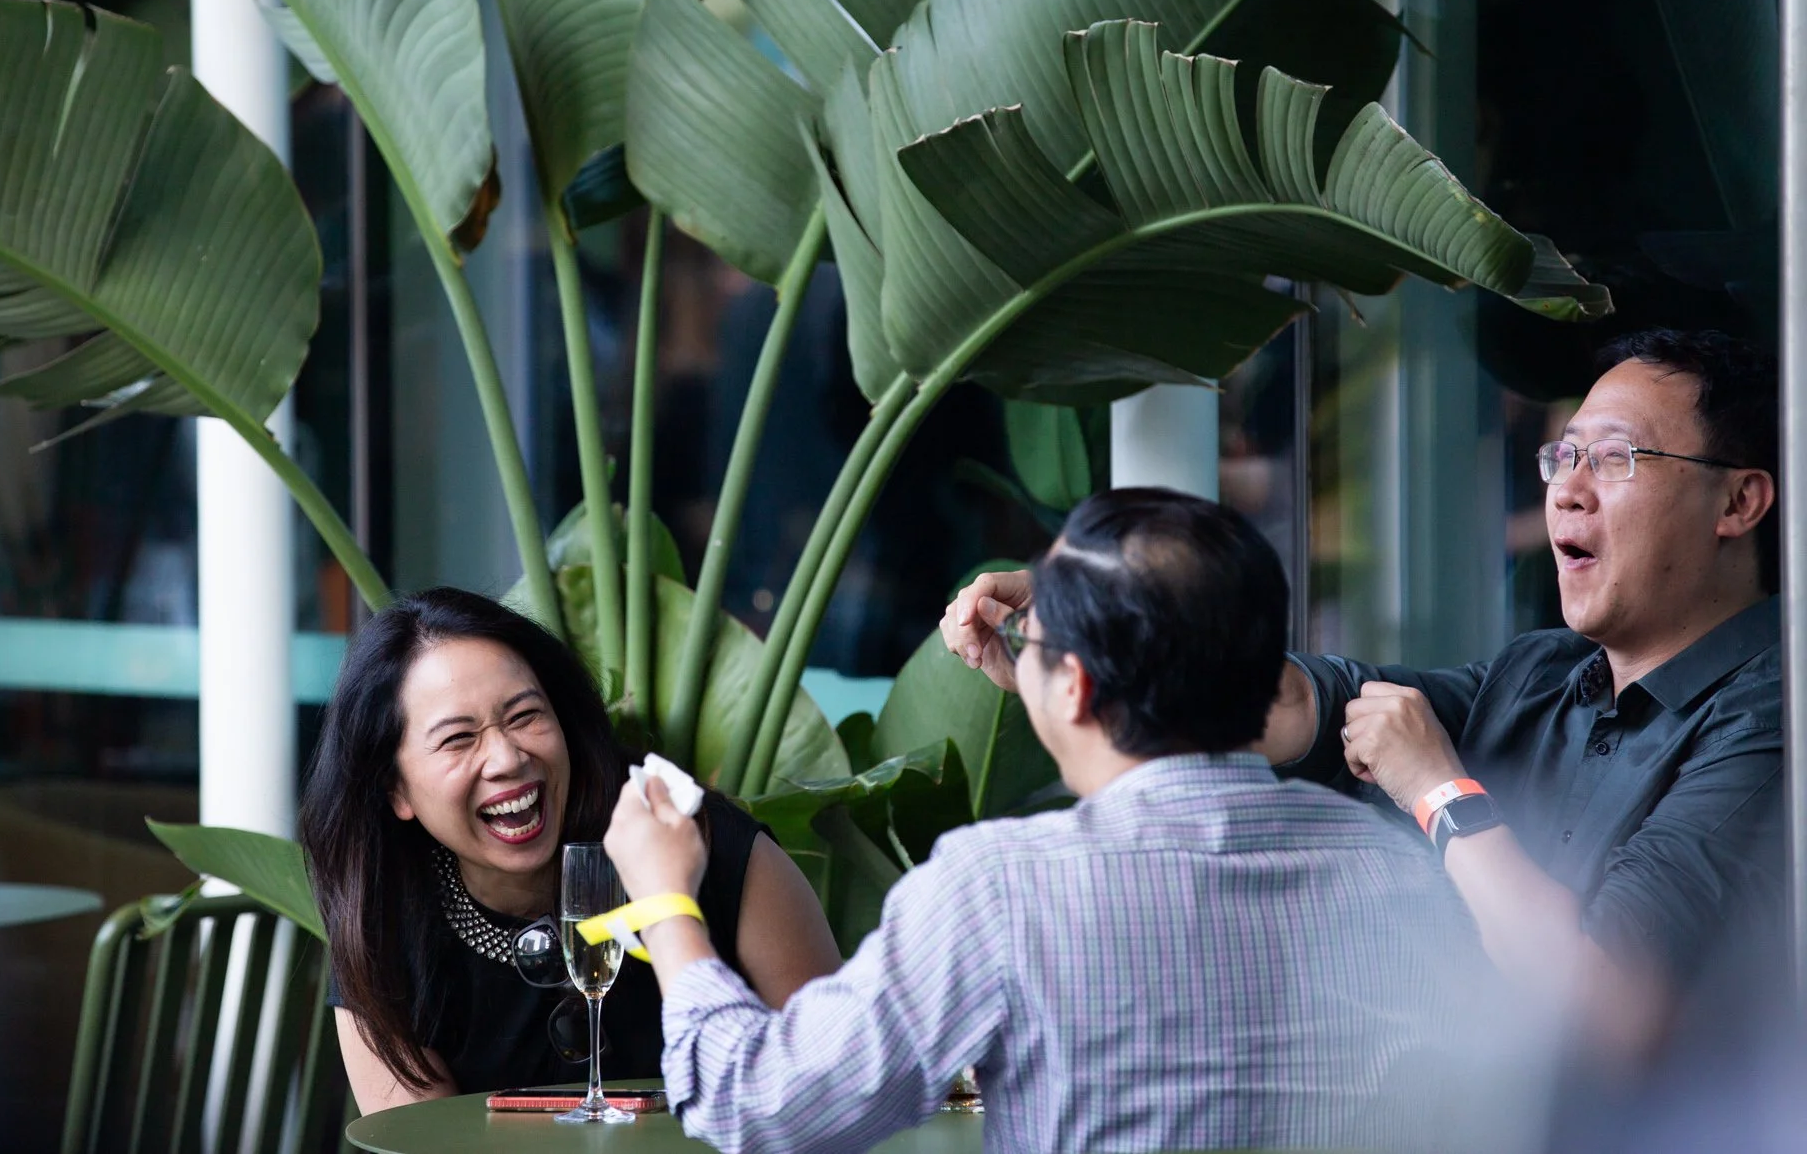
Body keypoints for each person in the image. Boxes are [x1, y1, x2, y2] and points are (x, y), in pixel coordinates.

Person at [604, 489, 1483, 1153]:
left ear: (1076, 688)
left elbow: (765, 1103)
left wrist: (666, 902)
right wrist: (1052, 678)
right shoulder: (1399, 871)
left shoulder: (998, 888)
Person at [945, 329, 1781, 1023]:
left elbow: (1607, 1009)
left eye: (1614, 457)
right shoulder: (1544, 672)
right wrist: (1085, 636)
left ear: (1738, 503)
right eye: (1562, 455)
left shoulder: (1776, 716)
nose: (1568, 488)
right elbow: (1296, 705)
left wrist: (1438, 789)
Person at [299, 587, 841, 1113]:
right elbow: (419, 1140)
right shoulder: (382, 918)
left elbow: (830, 1089)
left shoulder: (705, 846)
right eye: (459, 739)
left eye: (524, 716)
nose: (507, 758)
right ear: (395, 789)